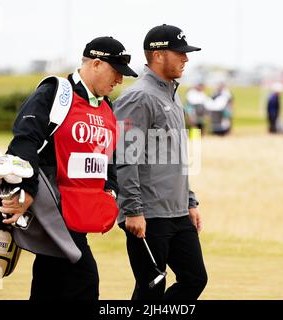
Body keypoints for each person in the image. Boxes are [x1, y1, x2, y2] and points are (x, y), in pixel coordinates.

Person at [0, 36, 138, 300]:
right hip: (52, 210)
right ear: (96, 64)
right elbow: (24, 141)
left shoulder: (106, 106)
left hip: (79, 214)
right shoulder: (55, 93)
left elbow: (109, 157)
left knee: (49, 284)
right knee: (84, 280)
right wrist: (26, 189)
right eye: (116, 72)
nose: (120, 80)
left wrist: (110, 188)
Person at [113, 24, 208, 300]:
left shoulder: (172, 94)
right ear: (157, 55)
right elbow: (124, 158)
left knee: (194, 279)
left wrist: (189, 201)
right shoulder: (139, 96)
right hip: (148, 213)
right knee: (152, 287)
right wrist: (132, 210)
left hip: (177, 212)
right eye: (180, 53)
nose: (186, 58)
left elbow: (176, 156)